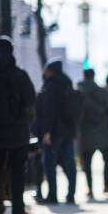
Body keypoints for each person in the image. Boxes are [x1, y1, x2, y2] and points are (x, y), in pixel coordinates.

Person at [0, 36, 37, 214]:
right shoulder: (20, 75)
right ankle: (18, 212)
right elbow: (30, 101)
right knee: (17, 172)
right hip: (17, 133)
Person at [40, 59, 78, 204]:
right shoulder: (68, 84)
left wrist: (47, 131)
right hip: (69, 130)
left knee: (50, 163)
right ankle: (71, 194)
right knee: (70, 163)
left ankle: (52, 195)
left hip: (54, 131)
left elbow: (49, 111)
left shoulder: (51, 86)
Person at [78, 69, 108, 198]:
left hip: (86, 131)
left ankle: (90, 189)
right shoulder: (103, 91)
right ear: (94, 76)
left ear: (84, 76)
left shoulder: (79, 91)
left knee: (87, 163)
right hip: (102, 130)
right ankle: (107, 184)